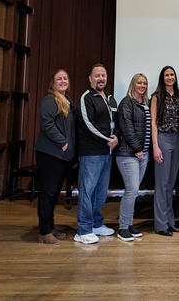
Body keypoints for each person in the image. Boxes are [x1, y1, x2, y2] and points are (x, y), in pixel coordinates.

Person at [75, 63, 119, 244]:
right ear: (90, 79)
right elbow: (87, 124)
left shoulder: (111, 99)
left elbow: (116, 123)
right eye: (97, 75)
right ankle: (83, 229)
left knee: (100, 192)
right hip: (91, 152)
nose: (101, 78)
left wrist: (116, 137)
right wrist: (106, 139)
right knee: (87, 191)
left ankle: (96, 224)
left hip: (107, 152)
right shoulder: (86, 97)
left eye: (103, 75)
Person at [34, 69, 76, 244]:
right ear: (52, 83)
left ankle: (50, 226)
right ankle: (44, 232)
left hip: (62, 156)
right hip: (50, 154)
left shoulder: (67, 101)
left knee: (53, 193)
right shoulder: (50, 100)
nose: (63, 81)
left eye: (65, 78)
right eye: (59, 79)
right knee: (48, 193)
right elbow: (47, 124)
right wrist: (63, 142)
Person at [114, 73, 151, 242]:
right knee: (131, 190)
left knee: (133, 191)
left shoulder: (146, 103)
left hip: (143, 154)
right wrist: (137, 148)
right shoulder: (126, 102)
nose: (142, 86)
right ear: (133, 84)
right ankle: (122, 227)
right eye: (139, 83)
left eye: (144, 83)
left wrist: (143, 150)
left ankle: (129, 224)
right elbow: (126, 126)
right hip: (128, 153)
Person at [151, 65, 179, 236]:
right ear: (162, 78)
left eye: (172, 74)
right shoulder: (157, 97)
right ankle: (160, 224)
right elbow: (154, 123)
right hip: (163, 140)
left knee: (171, 184)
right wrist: (155, 146)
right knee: (162, 183)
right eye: (166, 75)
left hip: (177, 140)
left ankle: (170, 221)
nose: (170, 77)